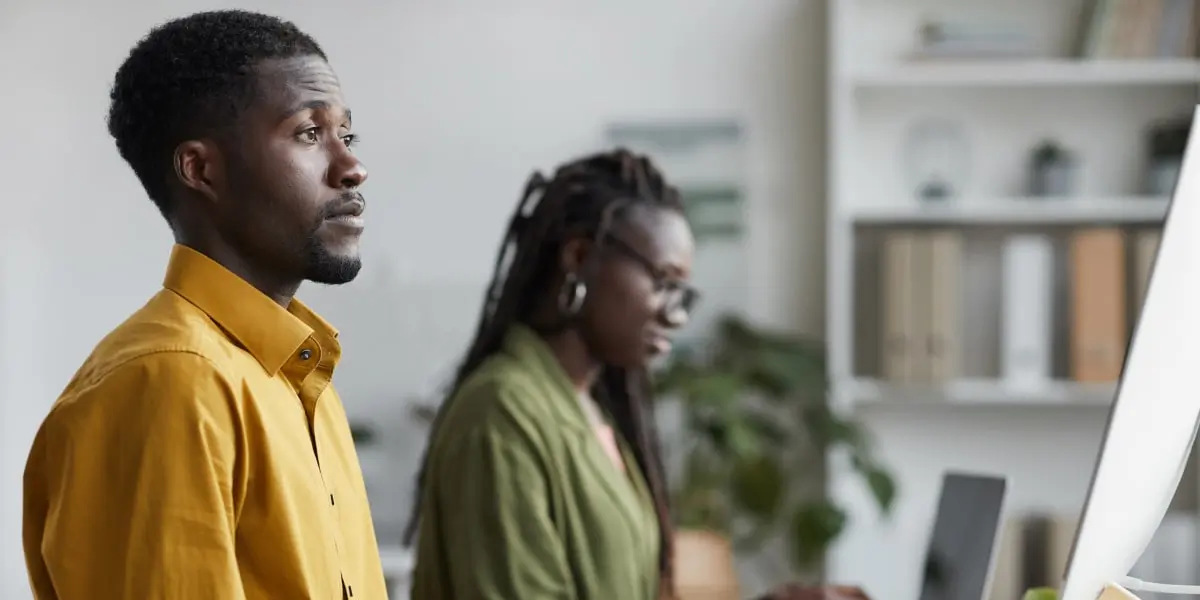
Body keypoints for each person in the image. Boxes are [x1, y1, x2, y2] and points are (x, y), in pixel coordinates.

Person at [21, 10, 387, 599]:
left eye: (347, 135)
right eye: (308, 134)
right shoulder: (168, 382)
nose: (352, 167)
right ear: (200, 169)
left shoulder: (299, 379)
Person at [404, 148, 870, 600]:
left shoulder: (587, 410)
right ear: (580, 255)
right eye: (664, 283)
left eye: (683, 295)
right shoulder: (503, 414)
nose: (676, 315)